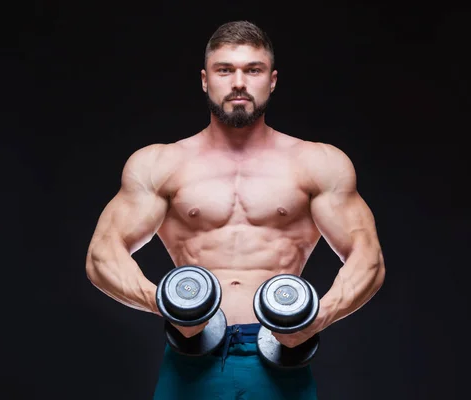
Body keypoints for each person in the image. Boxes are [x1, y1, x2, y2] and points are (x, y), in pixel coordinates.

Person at [85, 20, 386, 400]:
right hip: (191, 360)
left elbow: (368, 257)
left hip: (280, 362)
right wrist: (169, 306)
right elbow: (102, 254)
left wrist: (318, 318)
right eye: (225, 70)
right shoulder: (161, 164)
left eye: (253, 70)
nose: (239, 82)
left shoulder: (317, 163)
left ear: (272, 80)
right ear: (205, 79)